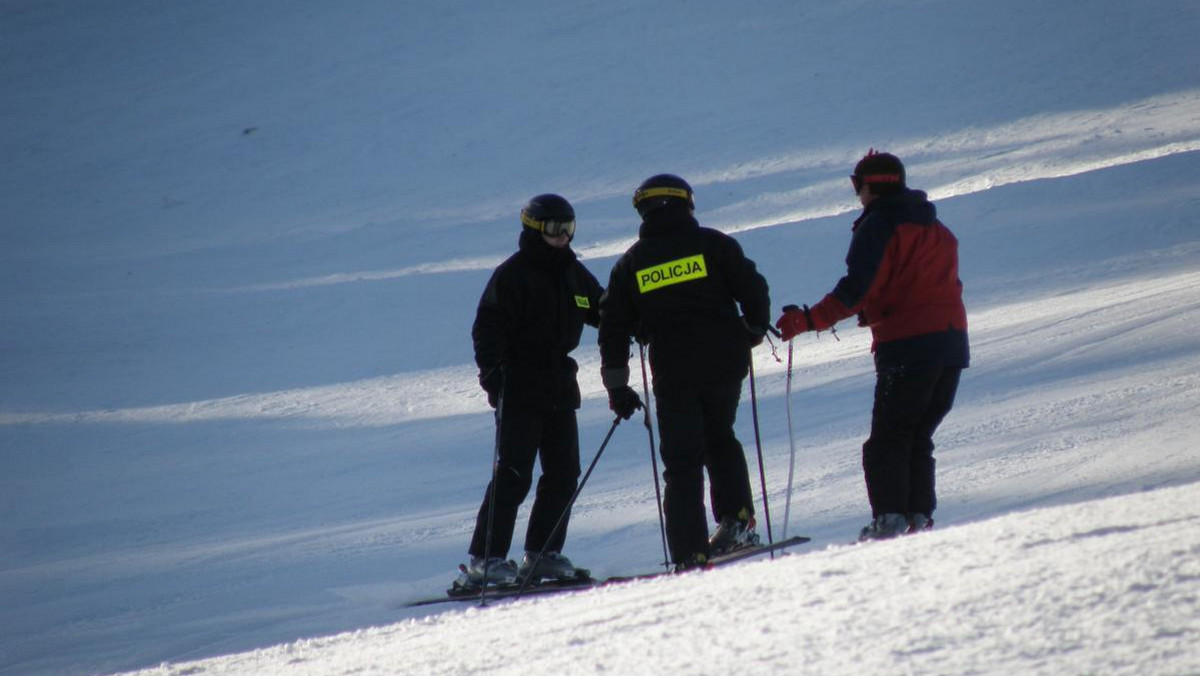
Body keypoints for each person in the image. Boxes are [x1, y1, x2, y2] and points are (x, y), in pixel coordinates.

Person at [775, 150, 969, 541]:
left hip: (909, 344)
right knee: (916, 435)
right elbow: (907, 284)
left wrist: (808, 320)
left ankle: (891, 521)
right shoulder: (936, 227)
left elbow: (856, 288)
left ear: (871, 186)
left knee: (888, 440)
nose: (856, 194)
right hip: (950, 343)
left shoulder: (880, 225)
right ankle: (917, 518)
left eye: (856, 185)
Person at [597, 174, 772, 571]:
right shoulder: (714, 244)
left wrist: (617, 386)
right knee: (720, 436)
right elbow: (753, 287)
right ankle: (737, 520)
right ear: (686, 203)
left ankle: (689, 552)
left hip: (674, 372)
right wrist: (754, 329)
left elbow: (613, 328)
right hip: (726, 362)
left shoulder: (632, 263)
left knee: (682, 461)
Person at [462, 194, 603, 586]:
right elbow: (486, 329)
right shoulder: (513, 275)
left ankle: (542, 553)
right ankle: (484, 558)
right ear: (533, 228)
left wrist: (634, 322)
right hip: (520, 385)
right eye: (554, 229)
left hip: (559, 384)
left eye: (569, 228)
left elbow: (603, 309)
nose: (562, 237)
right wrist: (494, 376)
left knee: (563, 473)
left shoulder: (574, 273)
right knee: (513, 474)